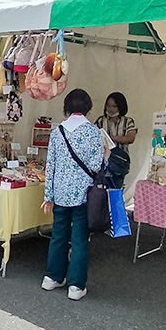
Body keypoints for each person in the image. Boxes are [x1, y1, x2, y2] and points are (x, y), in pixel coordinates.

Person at [42, 89, 104, 301]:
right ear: (88, 108)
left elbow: (50, 167)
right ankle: (76, 287)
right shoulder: (94, 132)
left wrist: (48, 196)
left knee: (58, 235)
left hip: (59, 193)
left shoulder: (57, 132)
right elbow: (96, 166)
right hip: (83, 195)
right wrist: (107, 155)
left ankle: (52, 277)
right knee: (79, 240)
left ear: (66, 108)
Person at [94, 92, 136, 189]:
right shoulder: (100, 121)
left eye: (114, 106)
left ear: (121, 107)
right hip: (103, 161)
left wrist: (110, 138)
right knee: (102, 190)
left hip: (120, 162)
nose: (111, 109)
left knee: (116, 189)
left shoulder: (128, 121)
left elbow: (131, 138)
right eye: (108, 106)